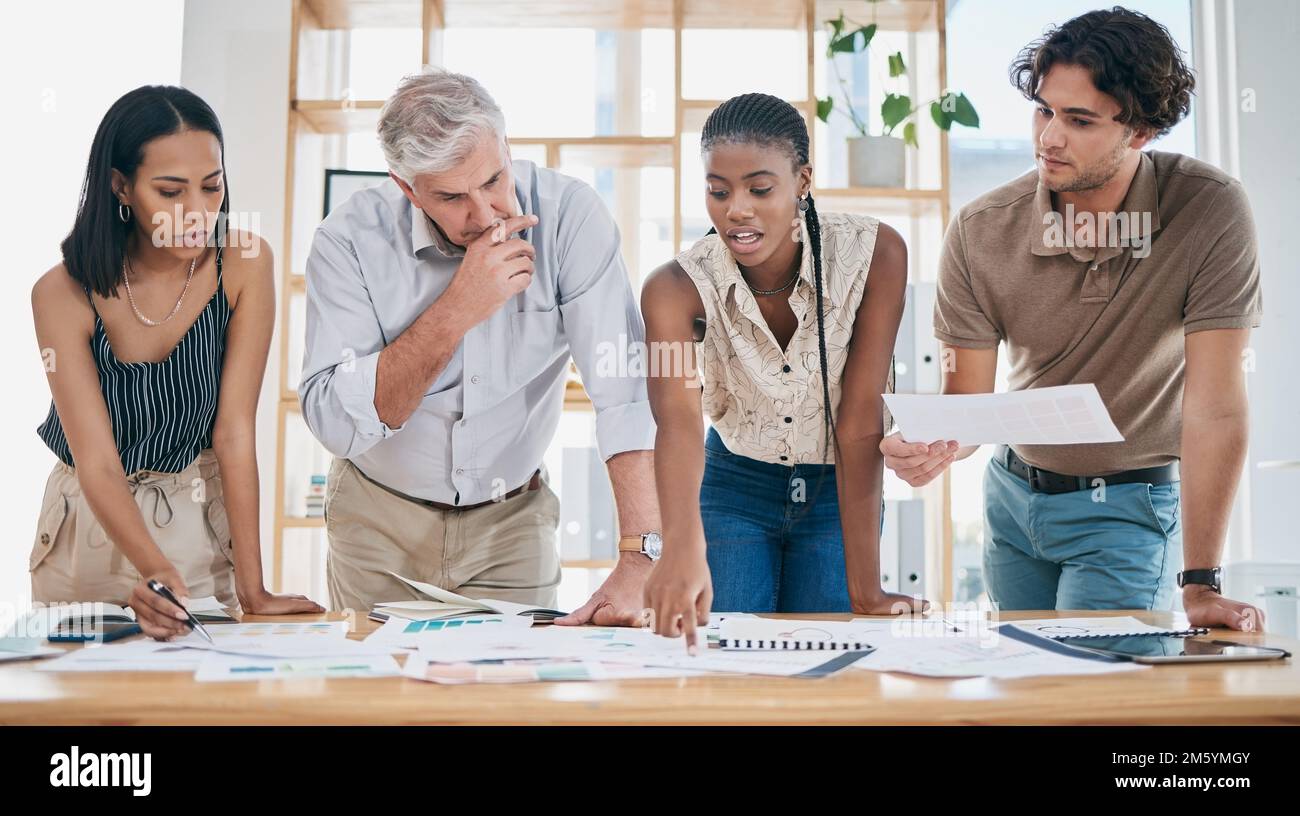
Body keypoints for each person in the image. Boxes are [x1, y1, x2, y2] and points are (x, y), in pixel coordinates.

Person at [881, 8, 1265, 630]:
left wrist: (1200, 582)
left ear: (1140, 131)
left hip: (1130, 506)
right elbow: (970, 406)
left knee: (1093, 688)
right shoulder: (981, 230)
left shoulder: (1209, 211)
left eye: (1079, 120)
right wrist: (931, 446)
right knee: (1027, 690)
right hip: (1011, 499)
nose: (1048, 138)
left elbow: (1216, 407)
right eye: (1043, 109)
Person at [299, 68, 662, 623]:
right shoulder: (347, 241)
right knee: (377, 702)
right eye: (451, 196)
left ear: (507, 149)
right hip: (378, 519)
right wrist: (456, 310)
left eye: (494, 179)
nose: (487, 214)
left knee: (509, 700)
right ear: (406, 188)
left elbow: (625, 393)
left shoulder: (571, 217)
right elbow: (336, 424)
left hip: (512, 523)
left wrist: (641, 557)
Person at [31, 85, 323, 640]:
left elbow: (235, 431)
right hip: (86, 524)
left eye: (212, 187)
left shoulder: (243, 263)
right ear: (121, 186)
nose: (197, 212)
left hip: (195, 511)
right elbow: (96, 460)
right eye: (170, 192)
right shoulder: (59, 293)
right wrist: (154, 568)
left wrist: (253, 589)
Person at [641, 93, 926, 649]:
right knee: (729, 669)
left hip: (833, 490)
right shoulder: (673, 290)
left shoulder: (876, 254)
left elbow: (861, 416)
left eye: (759, 188)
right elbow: (677, 422)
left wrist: (868, 589)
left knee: (829, 672)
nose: (736, 210)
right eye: (717, 191)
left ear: (803, 180)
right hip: (732, 488)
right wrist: (679, 544)